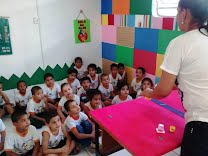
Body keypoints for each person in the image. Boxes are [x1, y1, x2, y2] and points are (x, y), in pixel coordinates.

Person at [141, 0, 208, 155]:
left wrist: (149, 92)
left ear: (183, 12)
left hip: (202, 124)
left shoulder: (180, 43)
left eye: (178, 13)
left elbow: (163, 90)